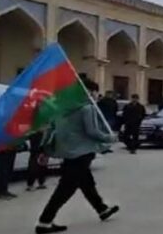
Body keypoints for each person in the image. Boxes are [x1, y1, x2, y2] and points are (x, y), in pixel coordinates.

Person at [36, 79, 119, 234]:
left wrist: (46, 150)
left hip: (68, 152)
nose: (95, 95)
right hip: (82, 152)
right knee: (66, 188)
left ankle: (102, 209)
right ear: (89, 92)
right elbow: (92, 131)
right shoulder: (87, 108)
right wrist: (110, 138)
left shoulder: (62, 108)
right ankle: (44, 221)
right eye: (94, 92)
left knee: (86, 182)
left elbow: (54, 129)